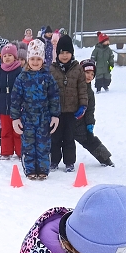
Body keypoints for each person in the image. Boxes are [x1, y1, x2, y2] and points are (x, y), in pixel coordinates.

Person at [10, 39, 60, 180]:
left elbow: (54, 96)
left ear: (43, 60)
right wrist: (15, 118)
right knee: (28, 144)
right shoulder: (22, 77)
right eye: (32, 59)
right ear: (28, 59)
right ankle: (30, 169)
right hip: (27, 118)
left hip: (44, 117)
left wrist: (55, 115)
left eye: (38, 59)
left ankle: (43, 169)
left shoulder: (48, 77)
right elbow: (15, 99)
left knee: (43, 144)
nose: (35, 62)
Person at [49, 34, 88, 173]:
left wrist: (83, 105)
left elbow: (83, 88)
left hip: (72, 111)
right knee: (55, 138)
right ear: (57, 54)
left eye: (67, 52)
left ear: (72, 53)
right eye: (62, 53)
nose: (64, 56)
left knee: (69, 138)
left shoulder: (77, 69)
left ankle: (69, 162)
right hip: (56, 112)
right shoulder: (52, 69)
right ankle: (53, 160)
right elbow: (48, 90)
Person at [74, 59, 114, 167]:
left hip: (80, 123)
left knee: (90, 140)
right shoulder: (72, 86)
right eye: (87, 72)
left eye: (92, 74)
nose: (89, 76)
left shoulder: (90, 92)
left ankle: (105, 158)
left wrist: (89, 124)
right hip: (66, 120)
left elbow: (90, 110)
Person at [0, 43, 23, 160]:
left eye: (10, 55)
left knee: (18, 131)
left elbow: (24, 89)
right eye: (5, 56)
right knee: (5, 131)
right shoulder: (0, 72)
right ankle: (6, 152)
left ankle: (20, 152)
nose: (7, 57)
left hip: (17, 107)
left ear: (15, 57)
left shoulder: (20, 71)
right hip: (3, 106)